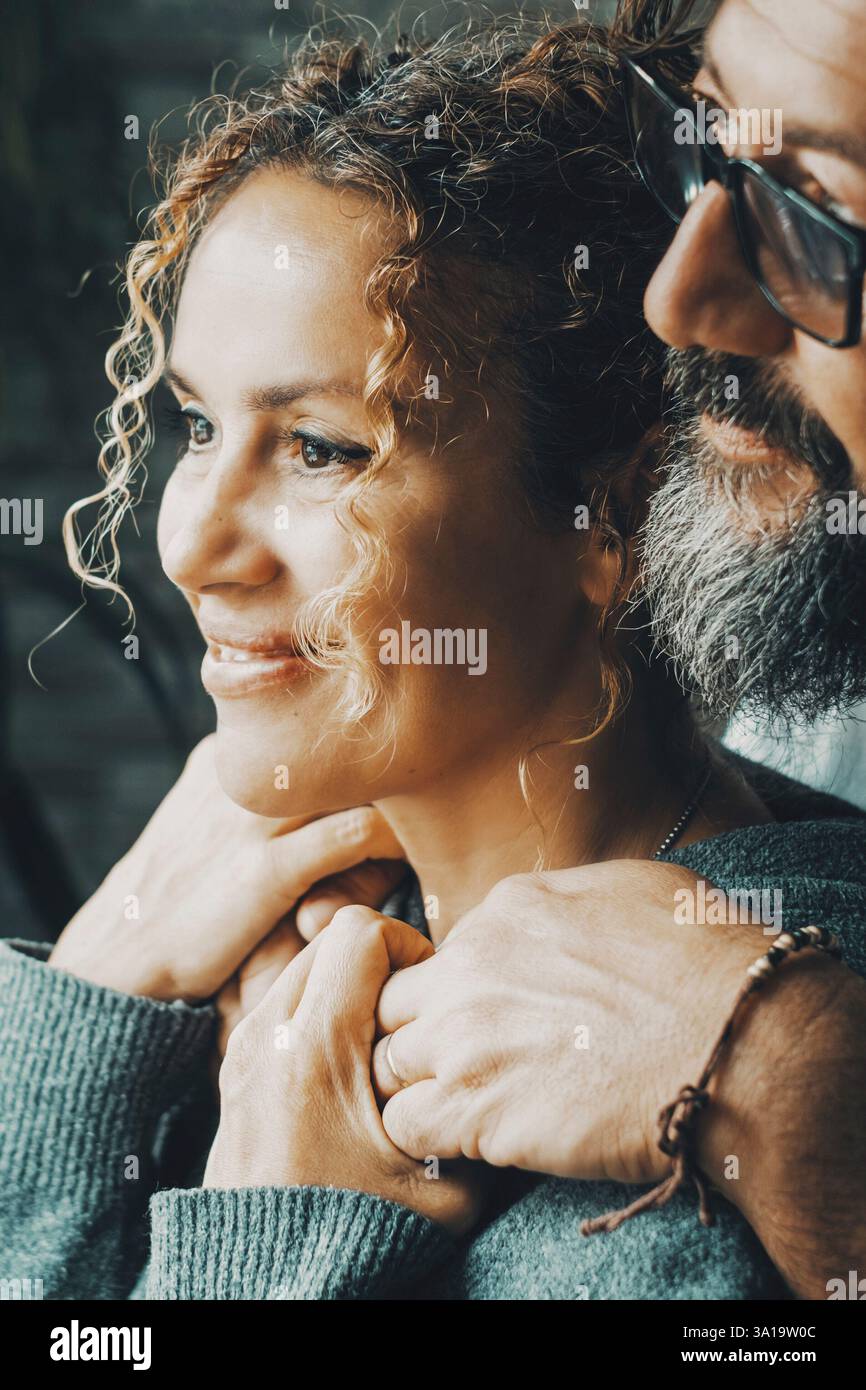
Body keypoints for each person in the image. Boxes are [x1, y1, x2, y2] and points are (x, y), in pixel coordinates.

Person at [0, 13, 863, 1301]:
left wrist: (278, 1252)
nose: (191, 545)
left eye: (322, 450)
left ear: (607, 519)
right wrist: (85, 1021)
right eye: (195, 422)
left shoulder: (678, 1173)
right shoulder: (232, 950)